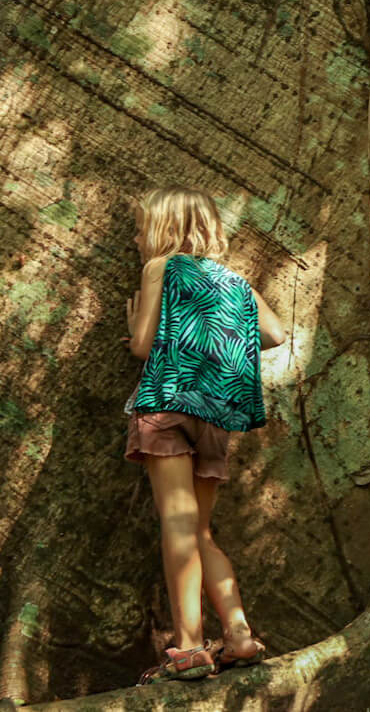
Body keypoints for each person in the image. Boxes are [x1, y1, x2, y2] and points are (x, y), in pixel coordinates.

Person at [121, 185, 287, 685]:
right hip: (216, 416)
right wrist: (217, 329)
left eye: (142, 227)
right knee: (201, 532)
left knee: (177, 528)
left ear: (163, 229)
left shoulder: (160, 268)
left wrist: (135, 326)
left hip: (168, 408)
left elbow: (143, 345)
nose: (136, 238)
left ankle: (190, 647)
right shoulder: (236, 283)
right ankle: (238, 637)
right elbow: (275, 334)